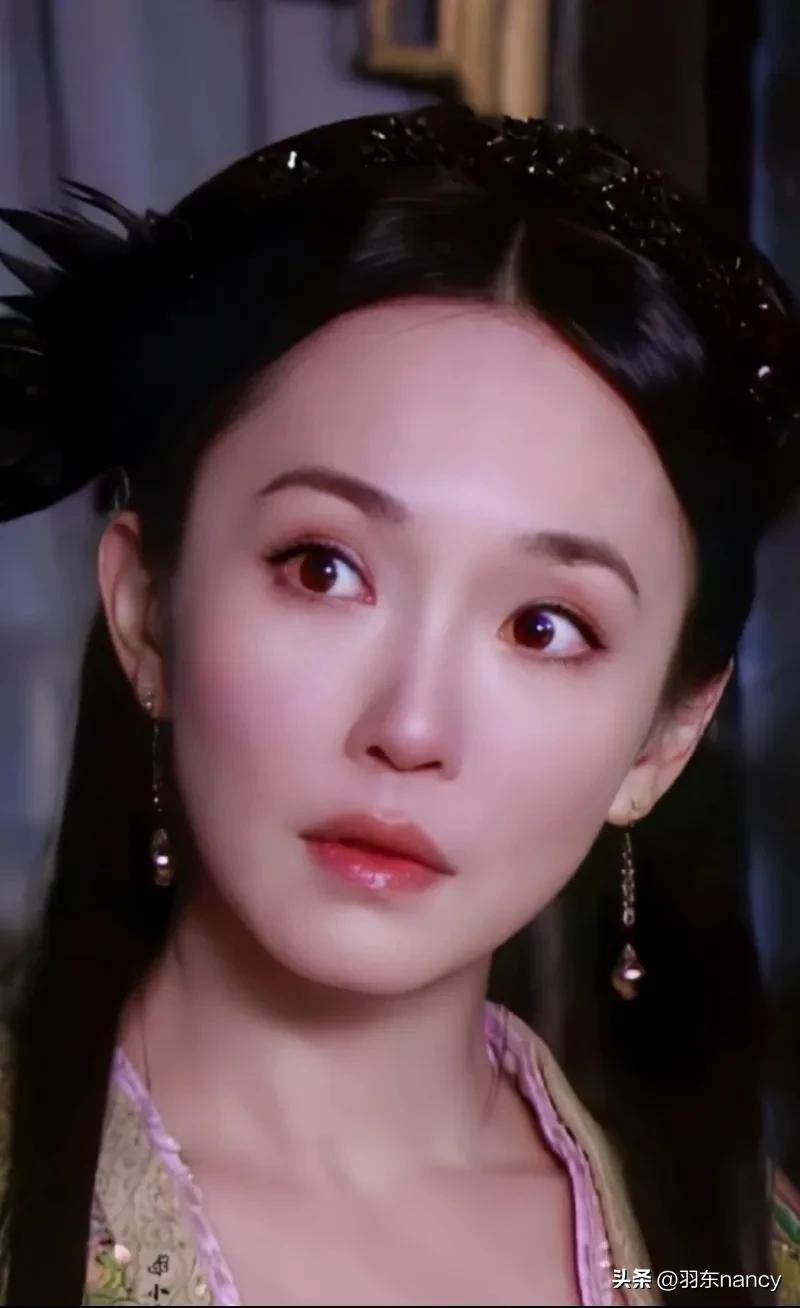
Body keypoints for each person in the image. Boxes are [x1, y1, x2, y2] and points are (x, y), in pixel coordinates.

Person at [0, 102, 797, 1306]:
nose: (411, 728)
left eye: (543, 627)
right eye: (323, 569)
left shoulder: (742, 1263)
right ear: (147, 609)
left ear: (662, 738)